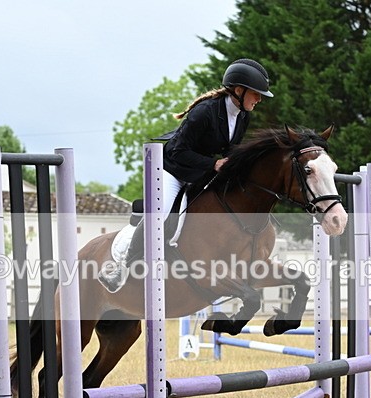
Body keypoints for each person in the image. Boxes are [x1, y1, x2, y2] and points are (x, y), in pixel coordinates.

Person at [100, 58, 274, 292]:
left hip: (200, 172)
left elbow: (230, 150)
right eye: (256, 93)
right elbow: (177, 151)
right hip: (171, 169)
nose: (259, 99)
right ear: (239, 91)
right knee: (160, 217)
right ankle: (123, 266)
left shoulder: (242, 115)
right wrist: (213, 164)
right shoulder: (204, 112)